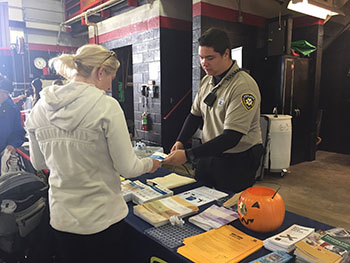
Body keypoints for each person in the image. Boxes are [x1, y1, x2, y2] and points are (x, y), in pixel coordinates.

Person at [25, 44, 162, 263]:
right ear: (100, 72)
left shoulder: (40, 107)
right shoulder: (106, 106)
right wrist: (150, 163)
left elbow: (38, 161)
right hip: (102, 219)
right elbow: (128, 168)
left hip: (62, 219)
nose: (110, 85)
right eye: (111, 77)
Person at [164, 28, 263, 193]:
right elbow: (194, 116)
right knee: (199, 198)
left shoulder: (243, 86)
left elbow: (231, 138)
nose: (204, 63)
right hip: (209, 153)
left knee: (227, 210)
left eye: (210, 58)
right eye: (201, 58)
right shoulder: (207, 82)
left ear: (226, 54)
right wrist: (180, 141)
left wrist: (188, 156)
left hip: (237, 160)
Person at [0, 73, 26, 166]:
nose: (5, 96)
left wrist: (12, 144)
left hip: (3, 158)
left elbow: (18, 132)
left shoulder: (11, 108)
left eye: (6, 93)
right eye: (2, 92)